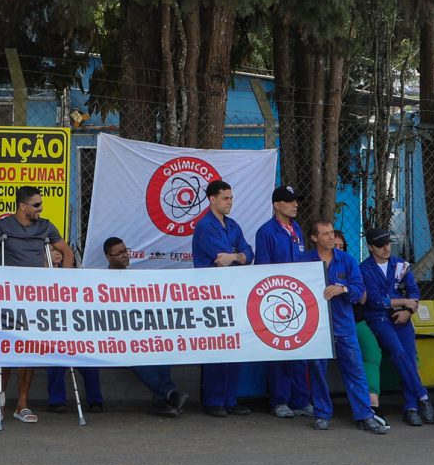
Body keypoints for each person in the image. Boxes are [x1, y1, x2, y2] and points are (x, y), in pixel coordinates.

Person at [0, 186, 73, 426]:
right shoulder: (3, 226)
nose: (40, 209)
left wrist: (63, 281)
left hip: (35, 298)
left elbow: (66, 252)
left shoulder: (46, 226)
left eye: (40, 204)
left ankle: (22, 404)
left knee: (29, 352)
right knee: (3, 349)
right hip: (8, 298)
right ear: (22, 206)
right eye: (36, 205)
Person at [305, 220, 385, 433]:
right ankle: (322, 413)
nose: (331, 237)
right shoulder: (304, 261)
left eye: (332, 233)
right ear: (314, 238)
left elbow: (359, 291)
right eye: (325, 234)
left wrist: (343, 289)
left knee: (355, 370)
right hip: (315, 327)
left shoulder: (347, 260)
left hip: (343, 324)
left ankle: (364, 415)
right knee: (317, 371)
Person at [191, 179, 253, 416]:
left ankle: (230, 398)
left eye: (231, 198)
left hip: (233, 291)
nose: (230, 202)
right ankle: (214, 400)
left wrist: (235, 256)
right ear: (212, 199)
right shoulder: (205, 226)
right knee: (217, 345)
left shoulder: (233, 225)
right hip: (212, 293)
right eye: (226, 198)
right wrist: (238, 256)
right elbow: (219, 258)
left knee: (233, 345)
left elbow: (248, 252)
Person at [103, 239, 186, 415]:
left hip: (141, 331)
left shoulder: (136, 277)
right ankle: (169, 393)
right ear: (108, 257)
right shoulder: (102, 281)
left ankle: (162, 400)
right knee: (136, 355)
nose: (125, 255)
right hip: (117, 337)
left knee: (161, 349)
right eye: (119, 253)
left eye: (125, 251)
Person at [357, 230, 431, 425]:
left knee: (409, 356)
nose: (386, 248)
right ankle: (422, 395)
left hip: (402, 316)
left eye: (388, 243)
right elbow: (374, 301)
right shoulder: (364, 269)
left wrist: (408, 310)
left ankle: (412, 407)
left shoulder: (400, 264)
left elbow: (414, 292)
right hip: (379, 319)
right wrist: (404, 301)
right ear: (371, 247)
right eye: (380, 245)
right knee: (398, 352)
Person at [252, 186, 313, 418]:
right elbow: (263, 268)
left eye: (296, 200)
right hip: (275, 299)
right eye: (289, 201)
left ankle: (301, 400)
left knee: (299, 350)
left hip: (296, 298)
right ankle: (279, 401)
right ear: (277, 205)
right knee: (278, 352)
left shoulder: (296, 228)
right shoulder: (266, 231)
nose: (295, 204)